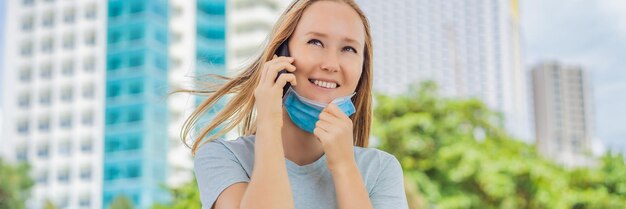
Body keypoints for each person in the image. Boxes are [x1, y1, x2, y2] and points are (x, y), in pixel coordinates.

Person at [183, 0, 408, 208]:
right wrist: (269, 123)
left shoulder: (380, 169)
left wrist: (344, 167)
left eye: (349, 48)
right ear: (281, 54)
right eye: (315, 42)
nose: (331, 64)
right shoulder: (224, 157)